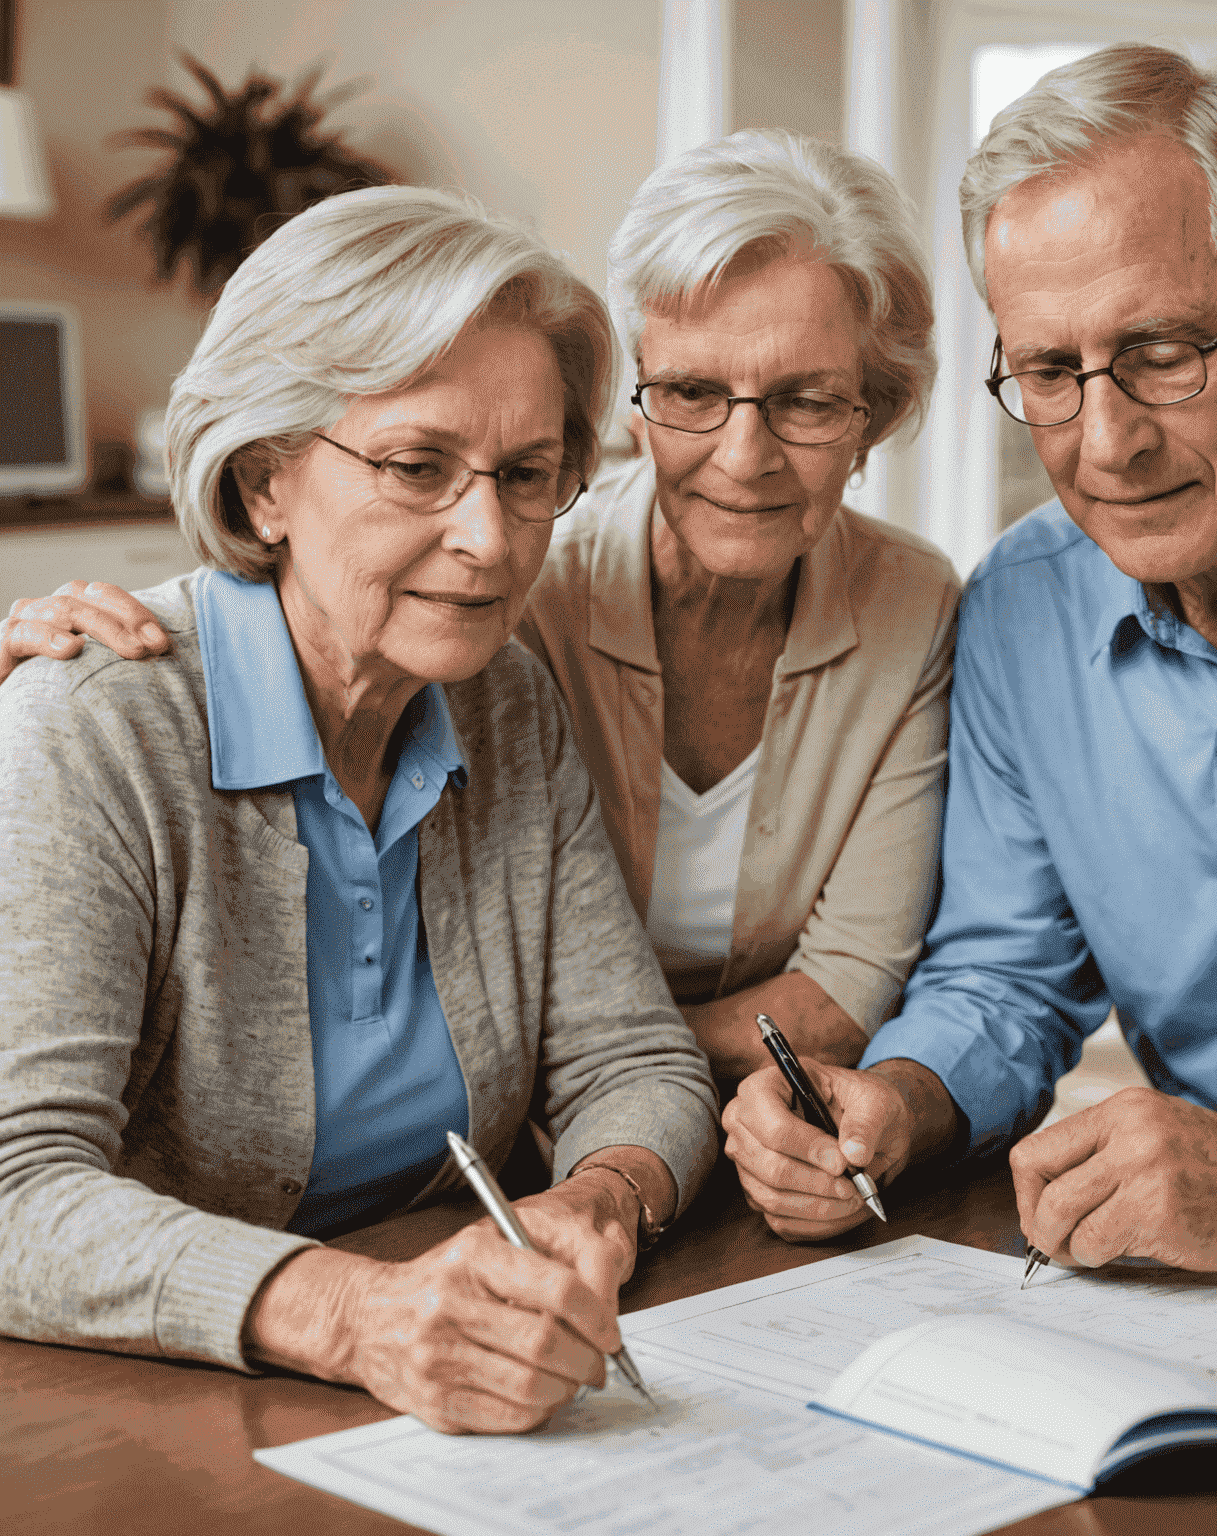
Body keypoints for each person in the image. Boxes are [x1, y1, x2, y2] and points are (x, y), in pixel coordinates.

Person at [723, 44, 1217, 1313]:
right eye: (1049, 373)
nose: (1107, 444)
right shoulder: (1018, 613)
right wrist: (903, 1105)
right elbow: (1002, 977)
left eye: (1163, 350)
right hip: (1213, 1321)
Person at [2, 130, 960, 1085]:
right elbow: (291, 592)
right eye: (694, 391)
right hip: (507, 1133)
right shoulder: (509, 595)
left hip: (654, 1129)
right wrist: (61, 689)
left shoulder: (910, 608)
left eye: (807, 402)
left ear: (871, 420)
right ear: (637, 403)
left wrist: (619, 1071)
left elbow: (844, 988)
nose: (745, 456)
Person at [0, 185, 718, 1433]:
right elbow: (14, 1189)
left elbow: (636, 1060)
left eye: (528, 473)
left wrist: (600, 1198)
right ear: (267, 478)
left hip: (430, 1409)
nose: (490, 539)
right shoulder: (95, 725)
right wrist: (354, 1314)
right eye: (416, 467)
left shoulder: (507, 703)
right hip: (128, 1417)